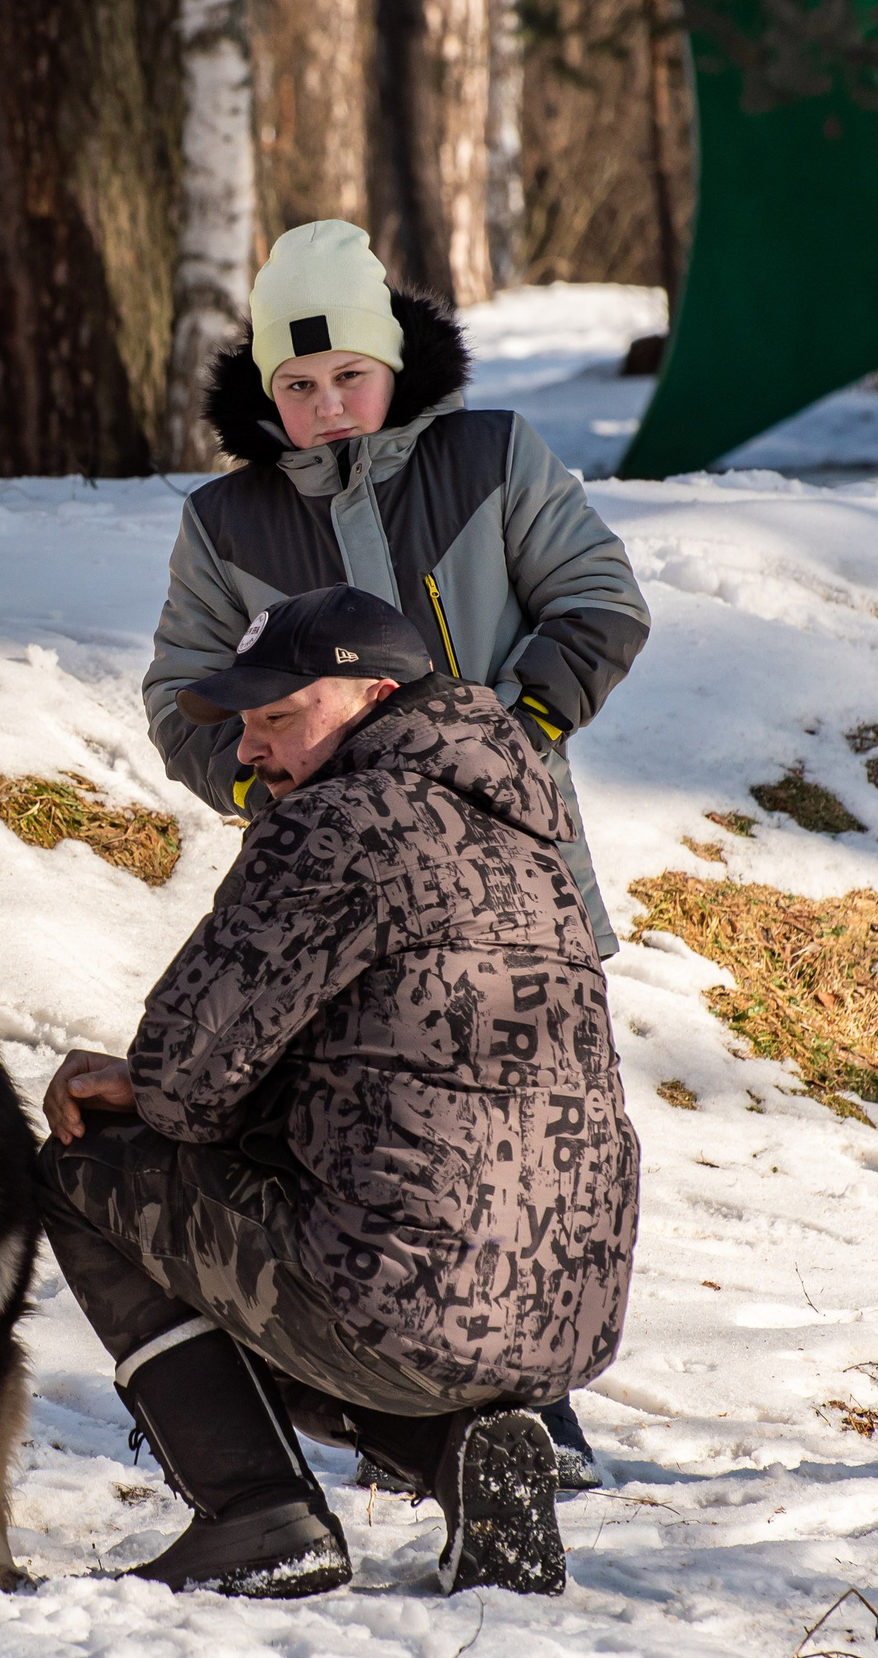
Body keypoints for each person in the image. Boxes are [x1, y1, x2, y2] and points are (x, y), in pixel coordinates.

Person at [145, 218, 650, 1484]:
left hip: (518, 877)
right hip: (336, 894)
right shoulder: (229, 520)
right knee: (365, 1131)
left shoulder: (488, 456)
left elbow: (598, 598)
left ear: (394, 364)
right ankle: (399, 1404)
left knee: (528, 1137)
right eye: (296, 386)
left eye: (347, 379)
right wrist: (277, 794)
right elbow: (179, 695)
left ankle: (534, 1411)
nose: (324, 408)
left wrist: (513, 730)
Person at [42, 587, 640, 1599]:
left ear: (373, 693)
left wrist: (131, 1086)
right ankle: (469, 1454)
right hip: (565, 1312)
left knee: (86, 1166)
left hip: (395, 1306)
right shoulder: (531, 844)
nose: (248, 754)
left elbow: (187, 1085)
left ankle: (256, 1512)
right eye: (244, 726)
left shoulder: (335, 823)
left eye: (278, 717)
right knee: (326, 1216)